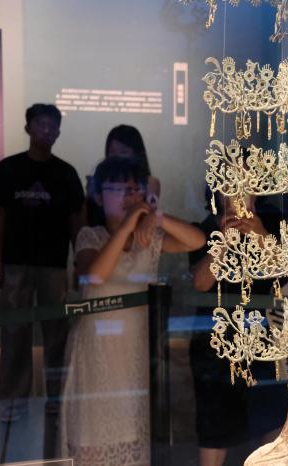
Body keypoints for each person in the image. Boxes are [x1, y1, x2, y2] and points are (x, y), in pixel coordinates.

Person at [59, 156, 205, 466]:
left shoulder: (147, 238)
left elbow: (196, 241)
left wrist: (157, 217)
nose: (128, 196)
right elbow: (94, 275)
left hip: (135, 353)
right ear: (99, 196)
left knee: (132, 436)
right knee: (91, 438)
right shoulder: (90, 236)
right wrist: (127, 226)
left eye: (134, 189)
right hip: (97, 353)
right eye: (117, 189)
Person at [0, 103, 85, 421]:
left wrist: (78, 262)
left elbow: (76, 221)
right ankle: (13, 399)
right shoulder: (8, 168)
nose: (46, 130)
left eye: (52, 125)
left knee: (56, 331)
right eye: (41, 124)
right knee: (14, 330)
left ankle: (56, 396)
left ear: (58, 131)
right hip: (15, 262)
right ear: (28, 128)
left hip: (54, 263)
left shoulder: (66, 173)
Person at [189, 189, 288, 466]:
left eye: (246, 185)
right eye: (230, 186)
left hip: (262, 339)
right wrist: (224, 239)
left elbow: (284, 270)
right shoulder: (206, 228)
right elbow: (201, 282)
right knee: (215, 427)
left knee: (272, 422)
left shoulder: (272, 222)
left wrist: (259, 231)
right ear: (217, 192)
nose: (239, 193)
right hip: (215, 344)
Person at [86, 125, 160, 227]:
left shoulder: (149, 182)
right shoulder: (101, 181)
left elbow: (152, 211)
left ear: (136, 154)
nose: (116, 158)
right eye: (112, 152)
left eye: (123, 152)